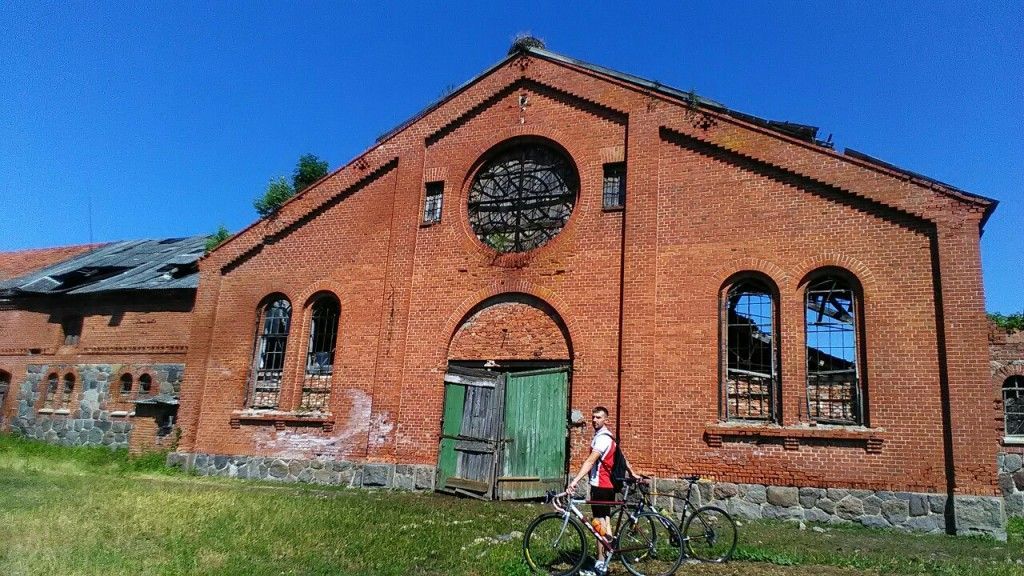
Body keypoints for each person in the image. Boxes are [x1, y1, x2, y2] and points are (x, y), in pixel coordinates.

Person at [567, 406, 637, 575]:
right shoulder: (608, 437)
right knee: (605, 519)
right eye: (593, 417)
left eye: (598, 417)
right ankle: (607, 550)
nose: (594, 420)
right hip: (607, 486)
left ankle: (600, 562)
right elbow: (622, 457)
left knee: (598, 523)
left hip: (601, 485)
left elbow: (590, 461)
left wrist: (575, 481)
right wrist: (632, 472)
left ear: (606, 420)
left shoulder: (602, 439)